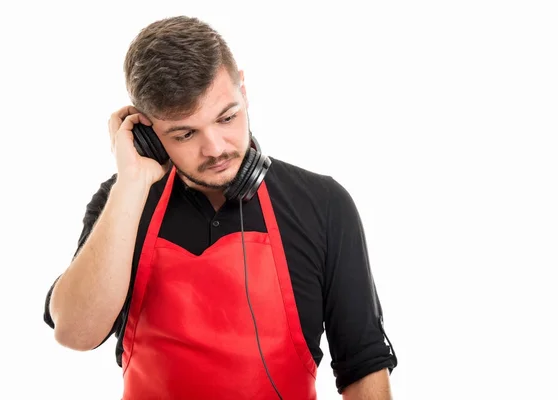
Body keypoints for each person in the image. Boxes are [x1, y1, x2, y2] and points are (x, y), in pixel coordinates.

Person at [43, 15, 397, 400]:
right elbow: (75, 332)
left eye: (227, 117)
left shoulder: (324, 205)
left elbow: (363, 368)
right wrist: (131, 183)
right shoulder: (124, 201)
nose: (215, 148)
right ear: (147, 132)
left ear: (243, 88)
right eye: (184, 133)